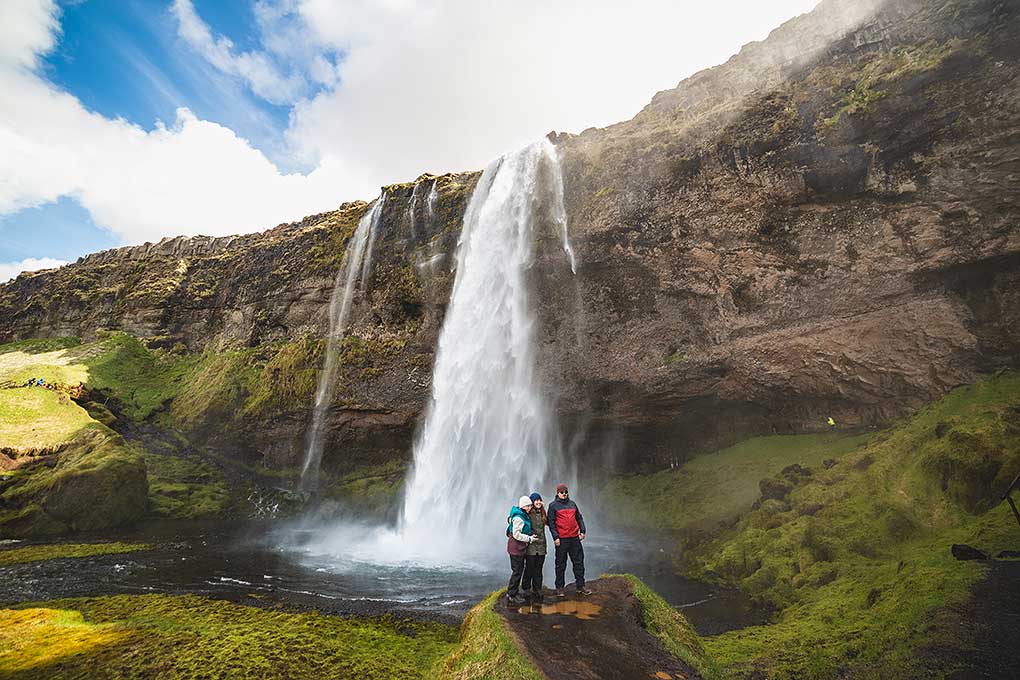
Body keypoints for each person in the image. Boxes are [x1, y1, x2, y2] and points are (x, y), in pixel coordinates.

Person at [547, 483, 592, 598]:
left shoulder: (573, 504)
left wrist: (583, 531)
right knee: (560, 564)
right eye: (562, 492)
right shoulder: (553, 506)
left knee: (579, 562)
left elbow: (579, 518)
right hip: (562, 539)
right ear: (557, 493)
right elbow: (551, 523)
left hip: (574, 538)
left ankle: (580, 586)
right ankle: (559, 588)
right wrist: (555, 537)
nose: (564, 494)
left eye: (566, 492)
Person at [506, 495, 537, 605]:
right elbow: (516, 534)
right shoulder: (519, 517)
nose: (530, 508)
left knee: (518, 571)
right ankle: (511, 595)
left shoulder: (521, 515)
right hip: (516, 549)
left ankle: (513, 592)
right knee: (517, 572)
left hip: (517, 549)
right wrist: (529, 539)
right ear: (523, 506)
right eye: (529, 506)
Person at [521, 492, 548, 602]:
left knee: (539, 568)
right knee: (529, 568)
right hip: (531, 546)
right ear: (531, 503)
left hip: (541, 546)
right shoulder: (527, 514)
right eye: (535, 500)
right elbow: (517, 519)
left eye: (539, 500)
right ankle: (526, 588)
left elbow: (552, 522)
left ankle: (537, 589)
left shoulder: (543, 514)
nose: (538, 502)